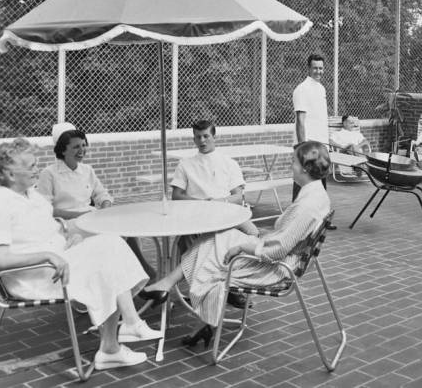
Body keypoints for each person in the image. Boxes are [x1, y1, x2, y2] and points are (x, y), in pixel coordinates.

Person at [0, 139, 162, 370]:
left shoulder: (31, 195)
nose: (36, 169)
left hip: (59, 264)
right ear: (9, 173)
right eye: (30, 166)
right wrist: (47, 255)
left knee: (110, 243)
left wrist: (68, 238)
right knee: (107, 253)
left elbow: (45, 230)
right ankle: (121, 335)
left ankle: (120, 336)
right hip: (35, 277)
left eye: (36, 164)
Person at [139, 141, 331, 348]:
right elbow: (285, 237)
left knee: (211, 255)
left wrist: (243, 247)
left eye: (293, 162)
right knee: (215, 238)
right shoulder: (315, 193)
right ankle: (175, 293)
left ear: (304, 167)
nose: (290, 166)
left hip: (275, 267)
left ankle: (177, 295)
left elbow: (278, 250)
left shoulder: (307, 206)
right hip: (273, 252)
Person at [37, 123, 156, 282]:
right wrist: (79, 215)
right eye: (76, 147)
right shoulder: (49, 173)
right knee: (114, 234)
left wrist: (105, 207)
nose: (82, 150)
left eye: (84, 145)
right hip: (66, 224)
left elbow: (102, 194)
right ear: (63, 150)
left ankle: (133, 274)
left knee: (127, 230)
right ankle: (141, 275)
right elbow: (45, 209)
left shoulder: (87, 170)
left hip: (91, 218)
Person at [170, 120, 259, 249]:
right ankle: (192, 266)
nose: (202, 140)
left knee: (253, 232)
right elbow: (176, 196)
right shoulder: (185, 164)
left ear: (214, 137)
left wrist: (217, 202)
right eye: (198, 137)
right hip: (197, 214)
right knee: (189, 238)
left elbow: (238, 197)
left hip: (225, 212)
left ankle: (237, 266)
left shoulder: (229, 163)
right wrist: (202, 203)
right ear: (194, 139)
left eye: (206, 136)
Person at [293, 53, 335, 229]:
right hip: (307, 145)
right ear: (308, 68)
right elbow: (300, 120)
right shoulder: (301, 89)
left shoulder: (321, 88)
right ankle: (295, 220)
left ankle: (321, 219)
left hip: (320, 144)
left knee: (320, 183)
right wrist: (303, 148)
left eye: (321, 68)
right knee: (303, 183)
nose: (319, 71)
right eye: (315, 68)